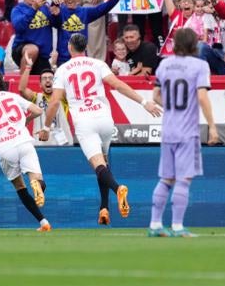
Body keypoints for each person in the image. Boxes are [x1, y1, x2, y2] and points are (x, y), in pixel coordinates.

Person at [44, 33, 162, 225]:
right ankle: (104, 208)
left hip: (84, 120)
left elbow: (55, 101)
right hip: (105, 119)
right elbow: (117, 84)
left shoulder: (63, 69)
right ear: (86, 47)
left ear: (69, 47)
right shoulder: (97, 64)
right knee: (104, 164)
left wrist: (47, 127)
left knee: (98, 165)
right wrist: (144, 102)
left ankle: (118, 189)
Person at [148, 28, 218, 238]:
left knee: (166, 179)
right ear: (194, 44)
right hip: (187, 132)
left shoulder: (164, 64)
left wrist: (171, 105)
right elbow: (203, 97)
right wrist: (212, 126)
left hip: (168, 129)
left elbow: (156, 96)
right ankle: (177, 226)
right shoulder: (200, 65)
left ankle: (155, 224)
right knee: (184, 179)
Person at [0, 69, 51, 232]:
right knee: (37, 179)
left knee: (20, 187)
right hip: (24, 142)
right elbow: (38, 110)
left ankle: (43, 223)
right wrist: (23, 122)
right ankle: (37, 186)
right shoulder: (12, 96)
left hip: (4, 148)